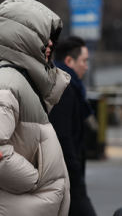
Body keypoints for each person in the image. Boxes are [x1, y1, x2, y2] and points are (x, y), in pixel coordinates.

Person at [0, 0, 71, 216]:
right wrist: (34, 179)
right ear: (23, 38)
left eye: (50, 38)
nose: (49, 44)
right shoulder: (8, 82)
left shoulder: (19, 80)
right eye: (42, 36)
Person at [49, 36, 97, 216]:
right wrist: (75, 172)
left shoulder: (67, 85)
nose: (86, 66)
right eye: (84, 61)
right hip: (68, 176)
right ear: (69, 60)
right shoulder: (65, 88)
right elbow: (63, 135)